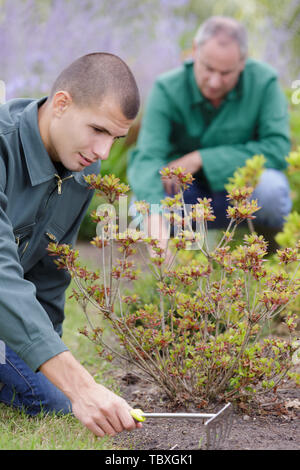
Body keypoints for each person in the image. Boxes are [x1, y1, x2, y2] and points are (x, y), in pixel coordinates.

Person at [0, 53, 143, 437]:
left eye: (114, 138)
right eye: (97, 129)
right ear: (61, 104)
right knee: (60, 395)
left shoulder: (82, 168)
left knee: (52, 396)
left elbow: (50, 273)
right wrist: (80, 385)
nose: (103, 152)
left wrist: (54, 359)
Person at [127, 16, 292, 249]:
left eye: (226, 73)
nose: (214, 82)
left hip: (243, 192)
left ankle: (268, 253)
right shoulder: (166, 88)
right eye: (208, 68)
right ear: (194, 51)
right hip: (188, 194)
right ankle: (170, 261)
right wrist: (155, 215)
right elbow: (147, 158)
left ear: (243, 62)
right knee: (142, 206)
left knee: (272, 189)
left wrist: (201, 159)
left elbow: (277, 148)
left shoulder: (265, 83)